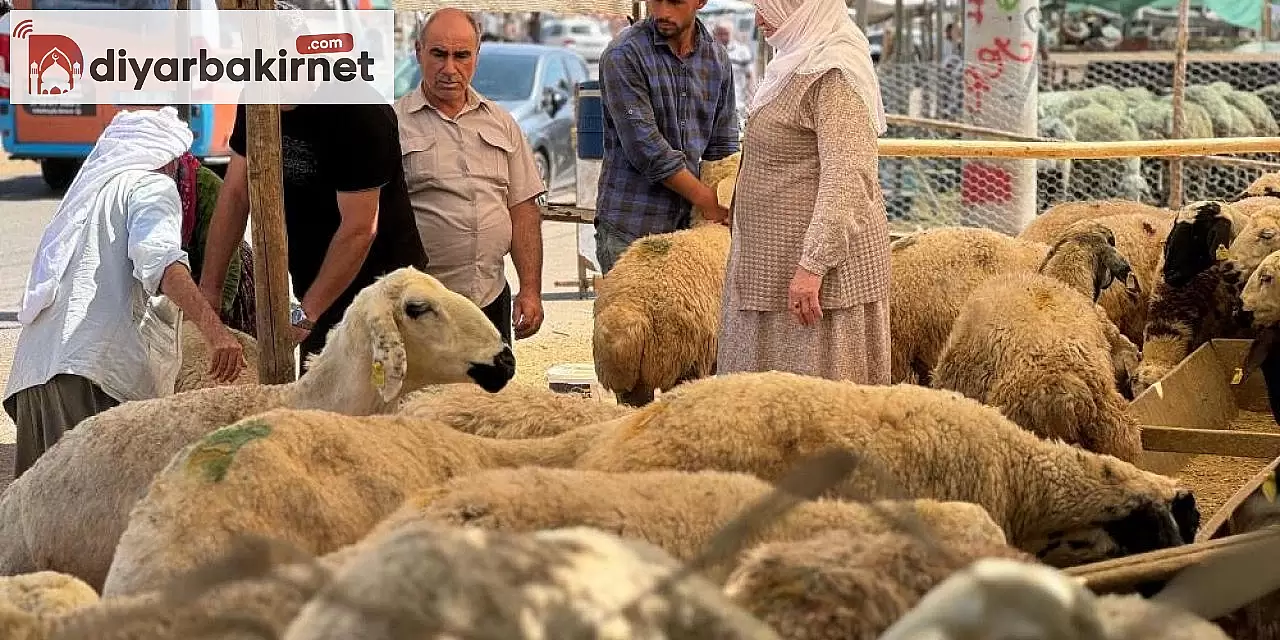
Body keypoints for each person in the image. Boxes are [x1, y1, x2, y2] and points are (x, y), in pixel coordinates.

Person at [3, 107, 246, 479]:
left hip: (34, 382)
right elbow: (163, 262)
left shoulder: (88, 198)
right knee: (100, 518)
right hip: (91, 380)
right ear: (170, 158)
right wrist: (217, 332)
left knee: (44, 527)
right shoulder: (152, 186)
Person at [198, 20, 429, 366]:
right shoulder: (257, 95)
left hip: (384, 289)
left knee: (382, 402)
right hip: (314, 281)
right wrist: (210, 290)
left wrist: (307, 314)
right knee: (318, 406)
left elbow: (359, 230)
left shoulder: (359, 112)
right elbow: (235, 193)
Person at [716, 0, 892, 383]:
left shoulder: (833, 72)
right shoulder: (794, 64)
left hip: (819, 286)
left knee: (815, 415)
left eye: (767, 6)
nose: (759, 18)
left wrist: (813, 266)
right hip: (773, 273)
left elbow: (849, 176)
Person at [394, 8, 545, 344]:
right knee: (428, 397)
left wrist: (530, 290)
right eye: (438, 54)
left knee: (489, 396)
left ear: (477, 55)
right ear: (418, 52)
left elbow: (523, 210)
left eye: (461, 55)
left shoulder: (502, 123)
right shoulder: (394, 124)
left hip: (488, 299)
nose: (450, 68)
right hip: (421, 306)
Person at [593, 0, 740, 275]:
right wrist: (707, 201)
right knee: (630, 317)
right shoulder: (624, 55)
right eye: (654, 0)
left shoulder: (717, 59)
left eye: (674, 1)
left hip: (692, 234)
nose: (662, 12)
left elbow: (722, 145)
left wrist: (724, 198)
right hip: (632, 229)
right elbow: (646, 149)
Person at [176, 153, 257, 338]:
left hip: (220, 275)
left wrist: (208, 319)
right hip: (175, 287)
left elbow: (226, 268)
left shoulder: (205, 186)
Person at [713, 19, 755, 123]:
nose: (723, 37)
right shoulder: (709, 52)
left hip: (737, 103)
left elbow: (750, 76)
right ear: (715, 34)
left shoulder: (742, 51)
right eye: (720, 34)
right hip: (713, 105)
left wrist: (751, 99)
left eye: (726, 34)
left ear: (732, 33)